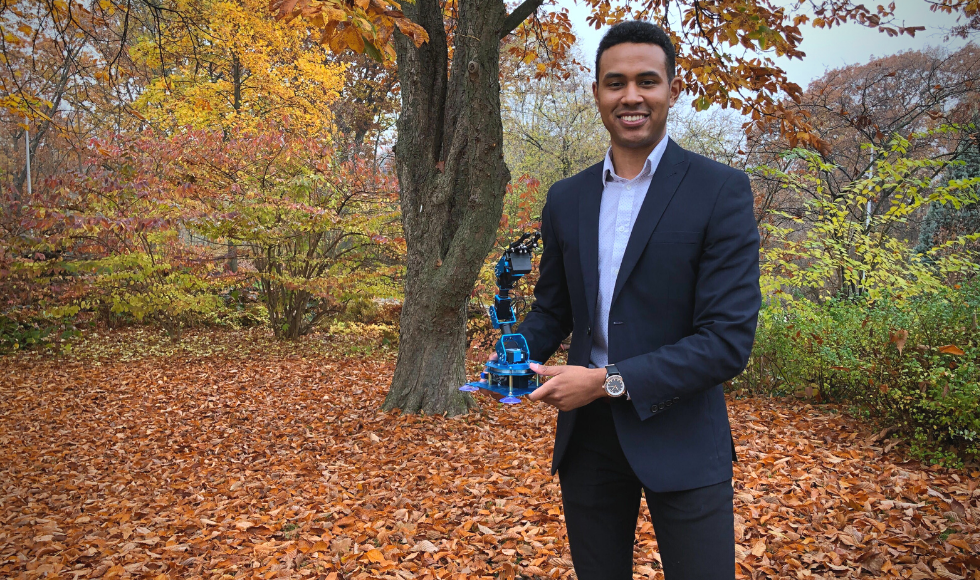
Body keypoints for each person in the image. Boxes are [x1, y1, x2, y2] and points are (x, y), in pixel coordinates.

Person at [480, 20, 761, 580]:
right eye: (615, 83)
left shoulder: (720, 189)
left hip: (683, 433)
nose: (631, 96)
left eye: (646, 81)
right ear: (597, 93)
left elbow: (726, 342)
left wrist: (608, 380)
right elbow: (555, 309)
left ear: (672, 91)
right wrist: (515, 351)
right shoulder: (567, 197)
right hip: (588, 441)